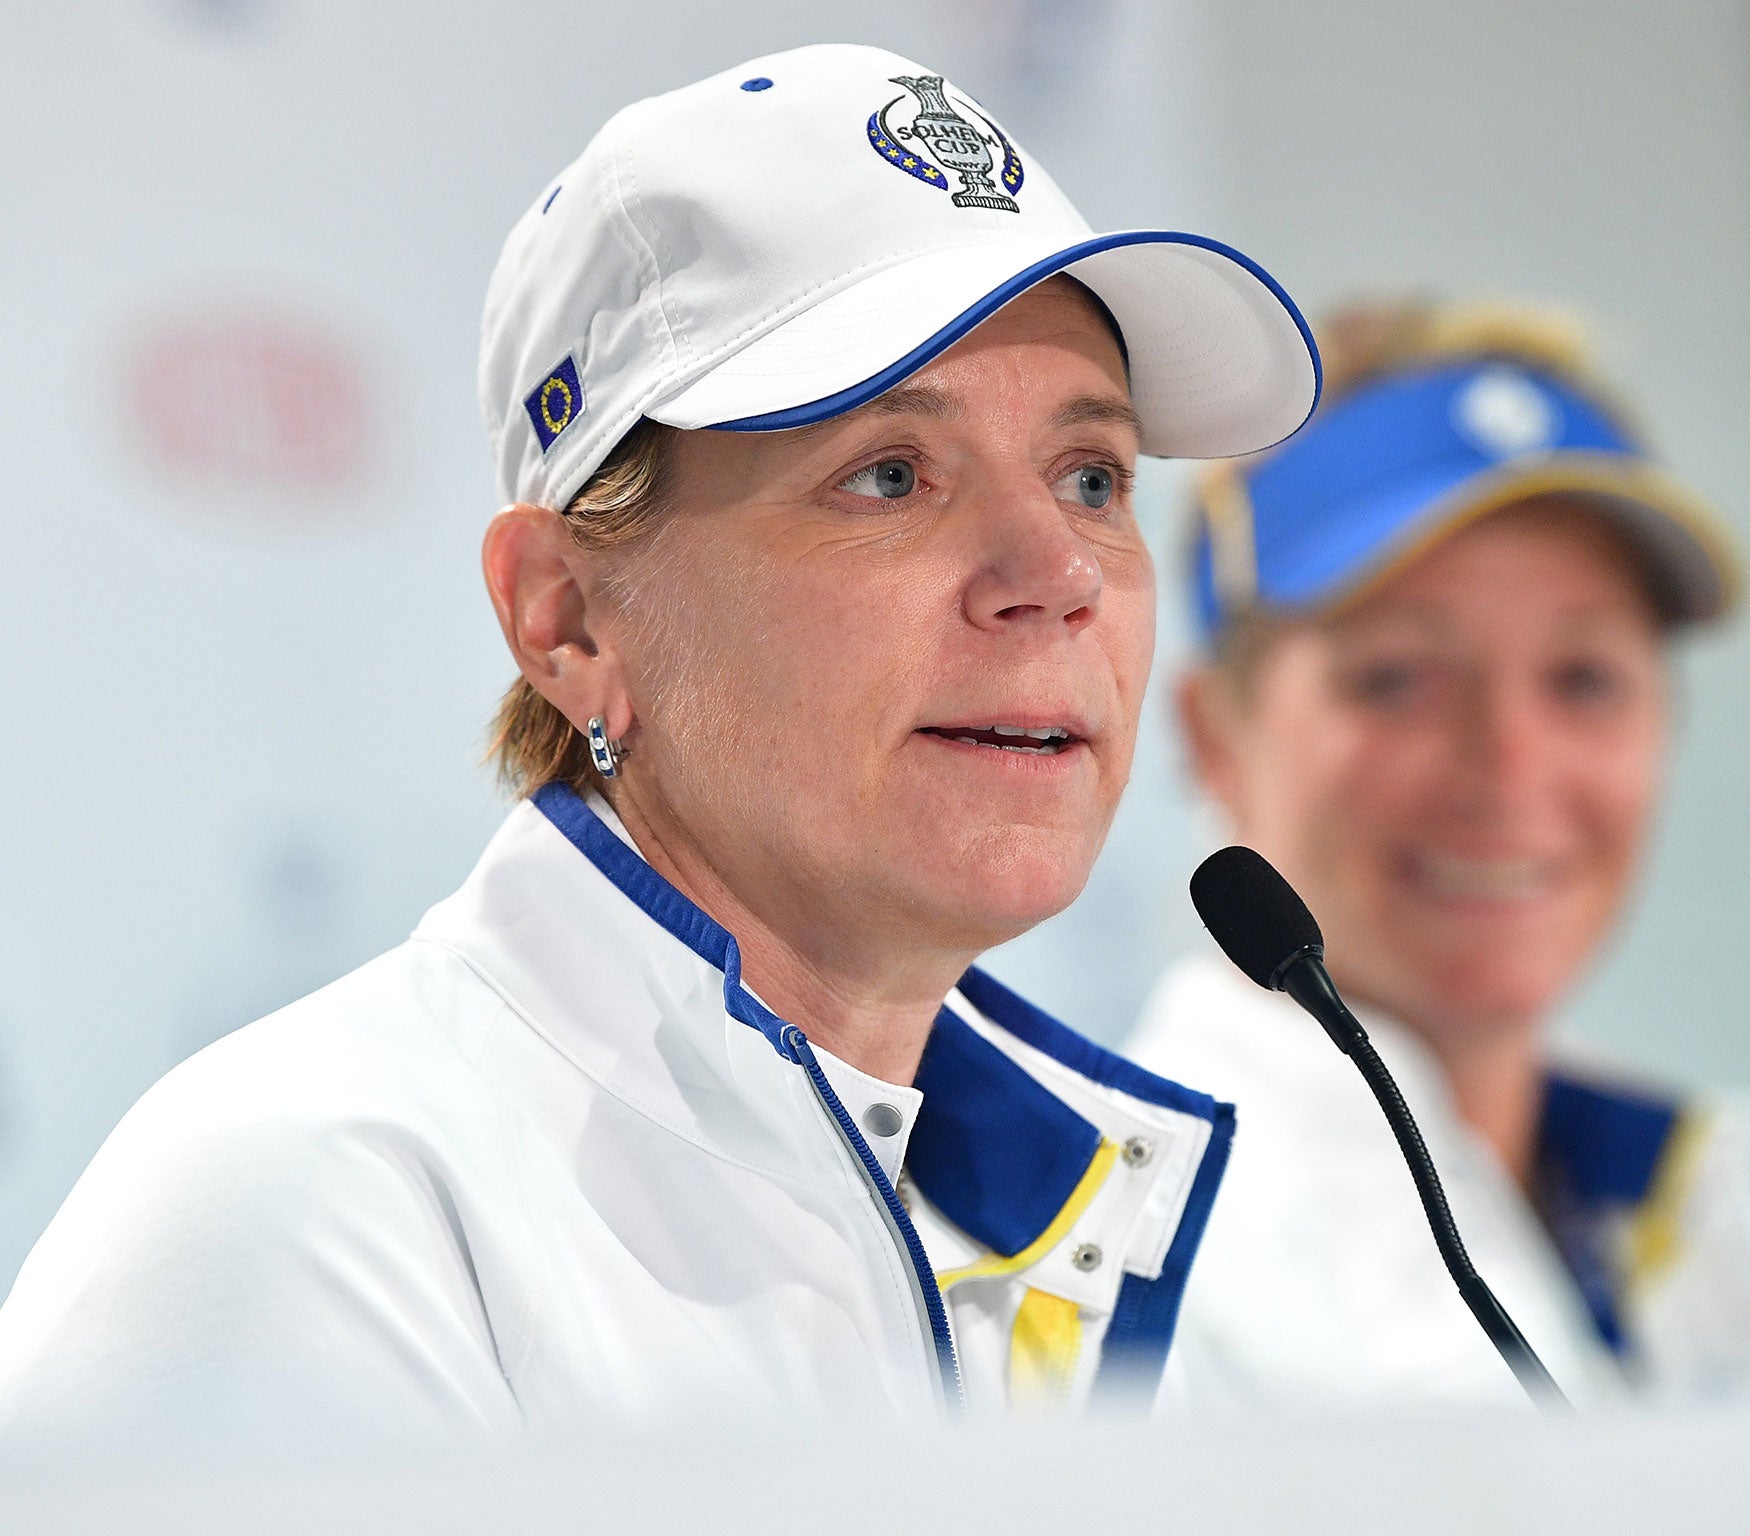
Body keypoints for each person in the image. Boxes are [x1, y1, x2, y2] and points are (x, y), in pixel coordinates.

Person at [0, 44, 1319, 1446]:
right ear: (567, 620)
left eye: (1093, 476)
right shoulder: (319, 1217)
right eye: (890, 474)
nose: (1056, 569)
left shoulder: (1091, 1243)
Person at [1127, 300, 1750, 1408]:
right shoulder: (1154, 1277)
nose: (1509, 768)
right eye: (1397, 678)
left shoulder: (1659, 1193)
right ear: (1210, 735)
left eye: (1583, 679)